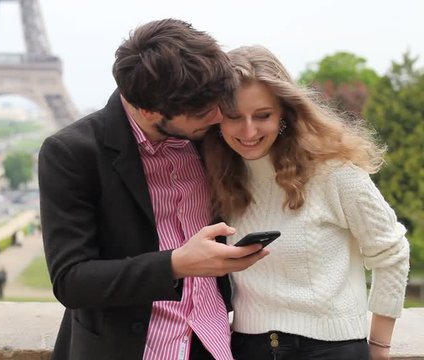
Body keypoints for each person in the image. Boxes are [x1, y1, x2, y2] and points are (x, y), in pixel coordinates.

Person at [38, 19, 268, 360]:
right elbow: (71, 280)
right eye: (204, 111)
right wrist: (175, 264)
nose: (220, 116)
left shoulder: (212, 138)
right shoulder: (71, 152)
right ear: (148, 110)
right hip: (130, 349)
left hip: (214, 343)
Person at [203, 45, 411, 360]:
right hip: (248, 347)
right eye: (234, 117)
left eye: (263, 115)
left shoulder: (334, 172)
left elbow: (391, 251)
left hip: (334, 349)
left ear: (285, 111)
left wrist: (380, 347)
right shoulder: (215, 175)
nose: (248, 131)